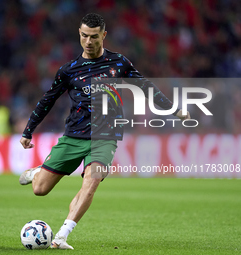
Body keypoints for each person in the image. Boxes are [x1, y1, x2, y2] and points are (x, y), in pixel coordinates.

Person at [19, 13, 190, 250]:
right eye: (84, 36)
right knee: (40, 190)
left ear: (104, 35)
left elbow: (145, 88)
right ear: (79, 34)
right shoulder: (68, 70)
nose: (88, 41)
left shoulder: (119, 63)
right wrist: (28, 131)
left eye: (94, 37)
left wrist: (174, 109)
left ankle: (61, 236)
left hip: (105, 137)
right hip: (74, 136)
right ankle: (37, 172)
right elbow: (47, 100)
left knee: (92, 181)